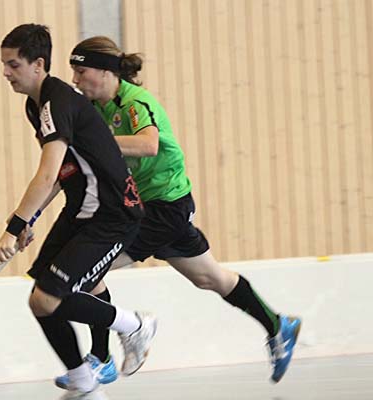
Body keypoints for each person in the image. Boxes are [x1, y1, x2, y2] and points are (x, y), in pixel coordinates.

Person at [52, 35, 302, 388]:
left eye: (82, 72)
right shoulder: (95, 108)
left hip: (164, 206)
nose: (76, 80)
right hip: (147, 205)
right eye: (73, 73)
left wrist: (96, 143)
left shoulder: (134, 102)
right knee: (210, 278)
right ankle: (278, 325)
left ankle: (102, 358)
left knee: (89, 268)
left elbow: (148, 144)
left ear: (106, 71)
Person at [0, 25, 157, 398]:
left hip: (113, 213)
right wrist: (28, 219)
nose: (6, 72)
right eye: (4, 64)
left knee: (51, 296)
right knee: (40, 302)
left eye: (13, 64)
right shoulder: (35, 106)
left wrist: (13, 226)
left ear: (38, 64)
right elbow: (63, 172)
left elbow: (46, 170)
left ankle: (135, 325)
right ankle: (83, 380)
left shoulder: (58, 101)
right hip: (82, 208)